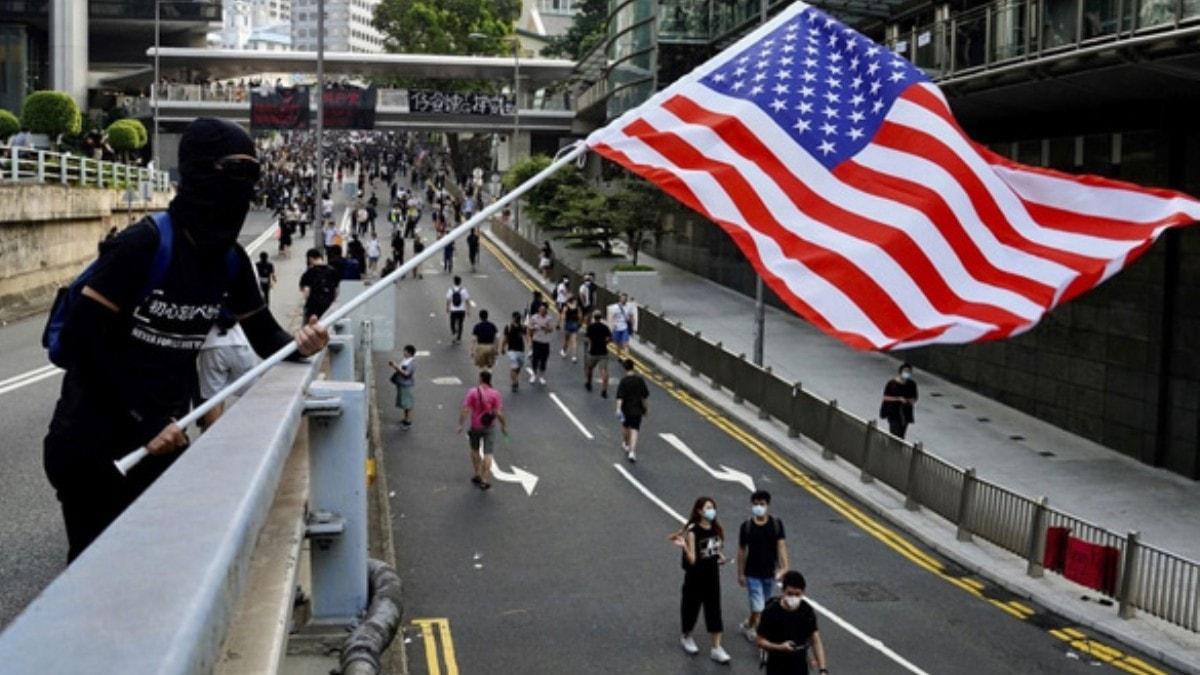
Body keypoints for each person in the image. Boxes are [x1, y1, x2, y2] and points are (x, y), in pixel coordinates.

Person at [42, 117, 330, 562]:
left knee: (160, 570)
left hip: (164, 440)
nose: (246, 187)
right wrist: (144, 421)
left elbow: (266, 336)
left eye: (255, 175)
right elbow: (82, 343)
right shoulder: (142, 245)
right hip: (90, 440)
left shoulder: (230, 261)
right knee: (97, 577)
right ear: (199, 172)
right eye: (238, 172)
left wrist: (303, 342)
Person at [670, 497, 730, 664]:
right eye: (708, 507)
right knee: (691, 608)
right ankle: (686, 635)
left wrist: (721, 557)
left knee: (714, 611)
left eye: (713, 507)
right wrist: (684, 546)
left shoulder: (715, 529)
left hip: (712, 577)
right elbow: (692, 560)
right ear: (699, 511)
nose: (712, 510)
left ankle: (716, 647)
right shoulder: (693, 532)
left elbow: (715, 550)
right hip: (695, 578)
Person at [737, 490, 790, 642]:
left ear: (768, 505)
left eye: (762, 504)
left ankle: (749, 623)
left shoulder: (776, 524)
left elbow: (781, 546)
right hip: (752, 573)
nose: (759, 507)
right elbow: (741, 550)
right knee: (758, 606)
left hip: (769, 572)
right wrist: (740, 573)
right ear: (751, 505)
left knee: (763, 606)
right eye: (756, 504)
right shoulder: (746, 526)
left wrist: (785, 567)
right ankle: (757, 631)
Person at [196, 308, 261, 430]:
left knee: (213, 398)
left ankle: (214, 438)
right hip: (240, 343)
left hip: (211, 345)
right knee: (251, 395)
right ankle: (252, 433)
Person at [756, 571, 828, 675]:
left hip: (800, 665)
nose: (793, 598)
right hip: (777, 666)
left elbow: (815, 640)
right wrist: (780, 647)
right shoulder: (771, 612)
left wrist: (822, 669)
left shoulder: (806, 610)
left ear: (803, 592)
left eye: (797, 594)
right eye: (789, 594)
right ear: (783, 591)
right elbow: (760, 641)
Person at [456, 370, 507, 490]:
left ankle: (477, 474)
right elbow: (498, 413)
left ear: (480, 379)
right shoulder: (495, 394)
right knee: (488, 454)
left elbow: (465, 410)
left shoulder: (473, 392)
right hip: (489, 426)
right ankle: (485, 480)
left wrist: (460, 424)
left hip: (475, 426)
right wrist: (503, 426)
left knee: (474, 450)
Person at [615, 358, 649, 462]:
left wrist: (618, 409)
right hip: (637, 410)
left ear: (625, 368)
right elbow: (644, 397)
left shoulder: (623, 381)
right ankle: (632, 452)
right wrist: (645, 409)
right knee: (635, 430)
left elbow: (620, 397)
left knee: (625, 427)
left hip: (626, 409)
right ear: (633, 367)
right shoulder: (640, 380)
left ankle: (625, 443)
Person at [300, 247, 341, 321]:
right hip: (329, 307)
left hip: (313, 308)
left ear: (310, 259)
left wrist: (306, 304)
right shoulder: (333, 271)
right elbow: (337, 291)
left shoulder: (308, 273)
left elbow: (306, 292)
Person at [880, 362, 919, 439]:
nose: (907, 373)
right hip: (893, 413)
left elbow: (914, 398)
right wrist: (898, 399)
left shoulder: (912, 384)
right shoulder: (892, 383)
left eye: (909, 372)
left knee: (902, 434)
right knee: (894, 433)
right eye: (905, 371)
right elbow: (886, 397)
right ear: (900, 372)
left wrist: (909, 401)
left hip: (905, 413)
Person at [526, 302, 556, 386]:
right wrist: (530, 339)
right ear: (539, 310)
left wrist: (545, 327)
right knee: (535, 359)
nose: (542, 311)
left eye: (544, 310)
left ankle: (542, 376)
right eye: (541, 310)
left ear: (546, 311)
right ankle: (534, 374)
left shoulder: (549, 319)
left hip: (545, 342)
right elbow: (529, 328)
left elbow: (551, 329)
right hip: (536, 341)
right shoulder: (534, 318)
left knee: (544, 360)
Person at [583, 311, 612, 397]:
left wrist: (588, 346)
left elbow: (587, 339)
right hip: (603, 352)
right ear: (601, 318)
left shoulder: (590, 327)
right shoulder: (605, 327)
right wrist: (605, 343)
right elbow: (610, 338)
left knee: (589, 368)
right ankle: (604, 390)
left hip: (593, 352)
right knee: (604, 371)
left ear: (593, 318)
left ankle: (589, 383)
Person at [388, 345, 417, 429]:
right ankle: (405, 419)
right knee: (404, 402)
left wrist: (396, 367)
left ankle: (408, 421)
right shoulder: (406, 360)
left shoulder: (411, 363)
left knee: (407, 403)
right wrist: (394, 366)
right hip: (401, 383)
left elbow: (406, 374)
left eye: (405, 351)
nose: (404, 352)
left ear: (409, 353)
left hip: (406, 385)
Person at [500, 311, 527, 393]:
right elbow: (505, 338)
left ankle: (515, 378)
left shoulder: (522, 327)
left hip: (521, 350)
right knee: (514, 367)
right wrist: (503, 347)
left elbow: (525, 334)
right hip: (512, 350)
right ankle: (514, 383)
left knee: (518, 366)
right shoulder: (508, 327)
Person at [446, 275, 470, 344]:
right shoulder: (463, 290)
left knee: (452, 323)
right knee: (460, 324)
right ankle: (459, 337)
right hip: (462, 310)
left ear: (454, 282)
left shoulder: (451, 290)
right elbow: (467, 300)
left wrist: (447, 307)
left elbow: (448, 299)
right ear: (460, 282)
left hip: (453, 310)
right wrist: (468, 310)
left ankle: (454, 333)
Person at [560, 295, 581, 362]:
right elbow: (580, 316)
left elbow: (564, 316)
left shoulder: (566, 307)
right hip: (575, 324)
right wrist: (579, 323)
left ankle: (564, 352)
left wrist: (563, 324)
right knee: (574, 341)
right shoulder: (577, 307)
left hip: (568, 324)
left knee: (567, 340)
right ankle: (574, 356)